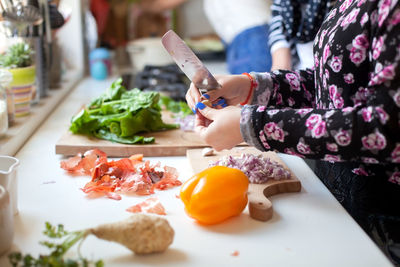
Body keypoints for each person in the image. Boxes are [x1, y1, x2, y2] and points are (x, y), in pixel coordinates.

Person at [186, 0, 400, 264]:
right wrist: (253, 86)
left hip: (386, 223)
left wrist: (253, 125)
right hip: (338, 203)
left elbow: (385, 127)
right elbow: (332, 85)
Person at [138, 0, 273, 74]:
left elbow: (162, 4)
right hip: (245, 42)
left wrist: (143, 6)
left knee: (254, 106)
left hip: (254, 40)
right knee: (248, 107)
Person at [268, 0, 336, 70]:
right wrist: (277, 76)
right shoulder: (281, 2)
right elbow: (278, 39)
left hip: (329, 66)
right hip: (300, 69)